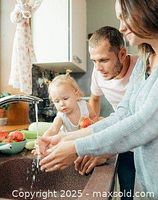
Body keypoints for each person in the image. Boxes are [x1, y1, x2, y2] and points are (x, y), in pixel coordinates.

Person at [39, 0, 158, 199]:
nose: (120, 26)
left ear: (144, 9)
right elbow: (124, 113)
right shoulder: (145, 61)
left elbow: (145, 123)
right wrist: (67, 137)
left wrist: (77, 148)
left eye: (124, 16)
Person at [76, 26, 137, 200]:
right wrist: (92, 122)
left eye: (103, 60)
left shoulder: (141, 70)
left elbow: (137, 121)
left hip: (143, 139)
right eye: (94, 61)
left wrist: (107, 148)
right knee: (127, 194)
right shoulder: (98, 73)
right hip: (123, 141)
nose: (98, 68)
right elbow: (94, 99)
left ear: (122, 54)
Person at [41, 70, 97, 136]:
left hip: (84, 138)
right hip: (69, 141)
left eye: (65, 98)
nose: (62, 104)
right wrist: (44, 138)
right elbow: (53, 130)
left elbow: (94, 117)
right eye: (57, 101)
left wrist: (91, 123)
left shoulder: (84, 106)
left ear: (76, 95)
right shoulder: (61, 116)